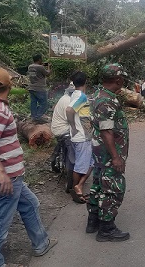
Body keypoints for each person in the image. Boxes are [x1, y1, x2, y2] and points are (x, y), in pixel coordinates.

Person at [0, 68, 57, 266]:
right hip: (5, 178)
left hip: (11, 176)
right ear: (9, 86)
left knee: (31, 204)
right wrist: (1, 173)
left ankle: (41, 243)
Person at [87, 64, 130, 242]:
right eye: (123, 79)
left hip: (99, 154)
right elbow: (106, 131)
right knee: (112, 188)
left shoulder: (99, 94)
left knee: (98, 183)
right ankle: (106, 229)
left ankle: (93, 221)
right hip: (108, 154)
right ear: (118, 80)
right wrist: (115, 157)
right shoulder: (106, 101)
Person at [66, 74, 93, 203]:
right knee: (81, 165)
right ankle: (76, 190)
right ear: (85, 82)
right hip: (82, 136)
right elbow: (69, 110)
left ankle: (78, 186)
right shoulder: (81, 96)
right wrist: (73, 126)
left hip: (82, 135)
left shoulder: (75, 94)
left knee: (91, 162)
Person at [49, 77, 77, 194]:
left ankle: (54, 159)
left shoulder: (64, 98)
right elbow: (71, 119)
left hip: (56, 128)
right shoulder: (69, 102)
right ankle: (73, 176)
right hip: (63, 129)